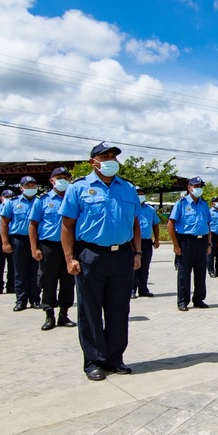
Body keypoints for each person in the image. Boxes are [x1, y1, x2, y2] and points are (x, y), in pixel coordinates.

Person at [59, 141, 142, 382]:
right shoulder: (79, 188)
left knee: (119, 309)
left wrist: (137, 253)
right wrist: (69, 259)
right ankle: (95, 361)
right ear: (93, 162)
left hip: (122, 254)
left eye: (113, 157)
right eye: (105, 157)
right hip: (90, 255)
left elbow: (135, 223)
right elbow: (67, 225)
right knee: (90, 310)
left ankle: (115, 358)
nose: (110, 161)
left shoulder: (127, 188)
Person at [29, 167, 76, 331]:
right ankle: (49, 315)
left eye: (66, 177)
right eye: (59, 177)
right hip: (49, 246)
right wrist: (34, 248)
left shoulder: (73, 198)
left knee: (68, 281)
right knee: (48, 281)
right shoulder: (42, 200)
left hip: (70, 247)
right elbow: (33, 224)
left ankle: (64, 314)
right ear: (52, 180)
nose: (63, 180)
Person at [168, 177, 212, 311]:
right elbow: (171, 223)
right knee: (184, 272)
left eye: (200, 186)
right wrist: (176, 245)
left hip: (202, 241)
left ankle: (198, 299)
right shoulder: (181, 203)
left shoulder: (204, 204)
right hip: (186, 241)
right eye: (196, 186)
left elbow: (208, 224)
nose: (199, 188)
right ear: (189, 188)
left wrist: (209, 244)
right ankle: (183, 301)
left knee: (201, 272)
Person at [1, 176, 41, 311]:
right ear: (21, 188)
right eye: (28, 186)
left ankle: (35, 299)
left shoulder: (40, 201)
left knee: (36, 271)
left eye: (33, 185)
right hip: (19, 240)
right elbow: (4, 222)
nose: (31, 188)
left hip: (37, 240)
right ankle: (21, 300)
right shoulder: (12, 203)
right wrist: (5, 242)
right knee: (20, 271)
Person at [134, 186, 160, 298]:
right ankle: (132, 290)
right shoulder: (131, 207)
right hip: (133, 242)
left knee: (145, 266)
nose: (140, 195)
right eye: (138, 193)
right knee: (133, 266)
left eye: (142, 193)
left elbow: (155, 224)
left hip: (146, 241)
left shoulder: (150, 209)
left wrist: (157, 239)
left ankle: (143, 289)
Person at [207, 195, 218, 278]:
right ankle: (211, 271)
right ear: (212, 203)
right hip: (212, 234)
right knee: (211, 253)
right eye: (216, 201)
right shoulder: (209, 212)